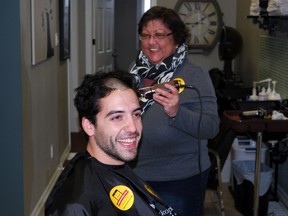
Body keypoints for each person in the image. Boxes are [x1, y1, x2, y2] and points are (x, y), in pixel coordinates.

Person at [45, 71, 179, 216]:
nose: (133, 127)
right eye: (117, 117)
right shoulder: (75, 206)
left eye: (136, 114)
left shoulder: (117, 168)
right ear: (89, 126)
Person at [129, 6, 220, 216]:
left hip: (179, 179)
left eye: (159, 35)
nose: (151, 42)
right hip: (136, 174)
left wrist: (176, 112)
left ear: (176, 39)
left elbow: (211, 127)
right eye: (145, 35)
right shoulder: (133, 72)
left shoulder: (195, 75)